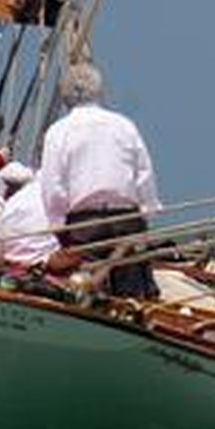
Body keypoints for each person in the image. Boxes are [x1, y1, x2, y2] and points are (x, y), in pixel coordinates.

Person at [38, 62, 161, 299]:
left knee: (85, 294)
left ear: (64, 96)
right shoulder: (124, 125)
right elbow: (143, 173)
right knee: (133, 296)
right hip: (127, 219)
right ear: (99, 90)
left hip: (84, 225)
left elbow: (53, 186)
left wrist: (59, 226)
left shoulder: (58, 132)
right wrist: (146, 213)